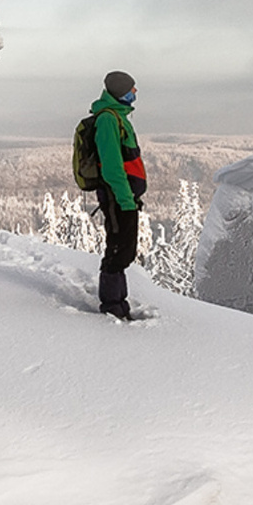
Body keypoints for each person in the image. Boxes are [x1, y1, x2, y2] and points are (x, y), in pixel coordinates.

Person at [91, 70, 147, 320]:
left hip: (125, 198)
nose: (135, 93)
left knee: (124, 249)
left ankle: (119, 303)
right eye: (131, 89)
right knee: (117, 250)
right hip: (117, 198)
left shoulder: (119, 118)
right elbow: (112, 166)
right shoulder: (108, 120)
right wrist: (125, 199)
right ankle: (112, 305)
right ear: (119, 92)